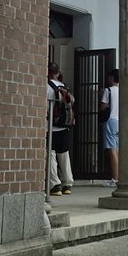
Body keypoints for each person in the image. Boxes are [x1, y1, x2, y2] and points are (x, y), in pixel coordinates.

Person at [47, 63, 74, 196]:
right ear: (58, 72)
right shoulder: (64, 86)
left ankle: (55, 185)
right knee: (64, 155)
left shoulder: (46, 86)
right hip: (64, 126)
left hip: (50, 126)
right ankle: (67, 184)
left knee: (51, 155)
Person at [99, 69, 119, 187]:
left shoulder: (108, 90)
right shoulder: (123, 91)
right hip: (119, 121)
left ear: (112, 78)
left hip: (110, 120)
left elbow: (103, 106)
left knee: (111, 150)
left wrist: (101, 96)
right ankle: (118, 176)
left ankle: (114, 178)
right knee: (117, 149)